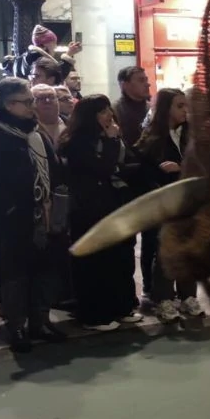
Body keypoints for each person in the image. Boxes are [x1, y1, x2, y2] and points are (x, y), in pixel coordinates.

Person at [0, 78, 63, 351]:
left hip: (44, 216)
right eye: (27, 102)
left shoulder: (37, 134)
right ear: (9, 105)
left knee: (44, 270)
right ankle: (18, 327)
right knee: (15, 275)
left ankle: (41, 321)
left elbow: (54, 169)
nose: (33, 107)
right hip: (12, 222)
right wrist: (10, 210)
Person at [60, 95, 145, 331]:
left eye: (108, 109)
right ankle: (95, 314)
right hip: (89, 211)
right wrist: (110, 146)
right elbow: (101, 170)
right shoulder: (76, 142)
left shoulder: (111, 137)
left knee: (120, 260)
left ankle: (122, 306)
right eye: (101, 111)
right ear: (89, 116)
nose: (108, 114)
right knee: (94, 264)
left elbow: (128, 163)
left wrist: (117, 161)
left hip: (115, 205)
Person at [135, 88, 204, 322]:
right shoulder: (151, 138)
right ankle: (163, 298)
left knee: (188, 250)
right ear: (166, 109)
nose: (186, 110)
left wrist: (181, 166)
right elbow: (144, 172)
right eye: (179, 106)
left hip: (189, 203)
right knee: (164, 251)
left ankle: (187, 296)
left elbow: (203, 165)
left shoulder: (192, 136)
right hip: (164, 204)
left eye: (186, 105)